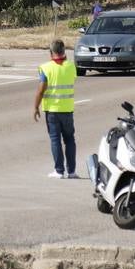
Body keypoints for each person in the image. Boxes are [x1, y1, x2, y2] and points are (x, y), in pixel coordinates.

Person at [33, 39, 78, 179]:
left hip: (52, 111)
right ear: (64, 51)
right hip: (67, 109)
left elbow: (41, 90)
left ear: (51, 52)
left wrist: (35, 107)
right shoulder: (71, 66)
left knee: (55, 140)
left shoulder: (46, 68)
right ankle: (72, 171)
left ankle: (59, 171)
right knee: (70, 139)